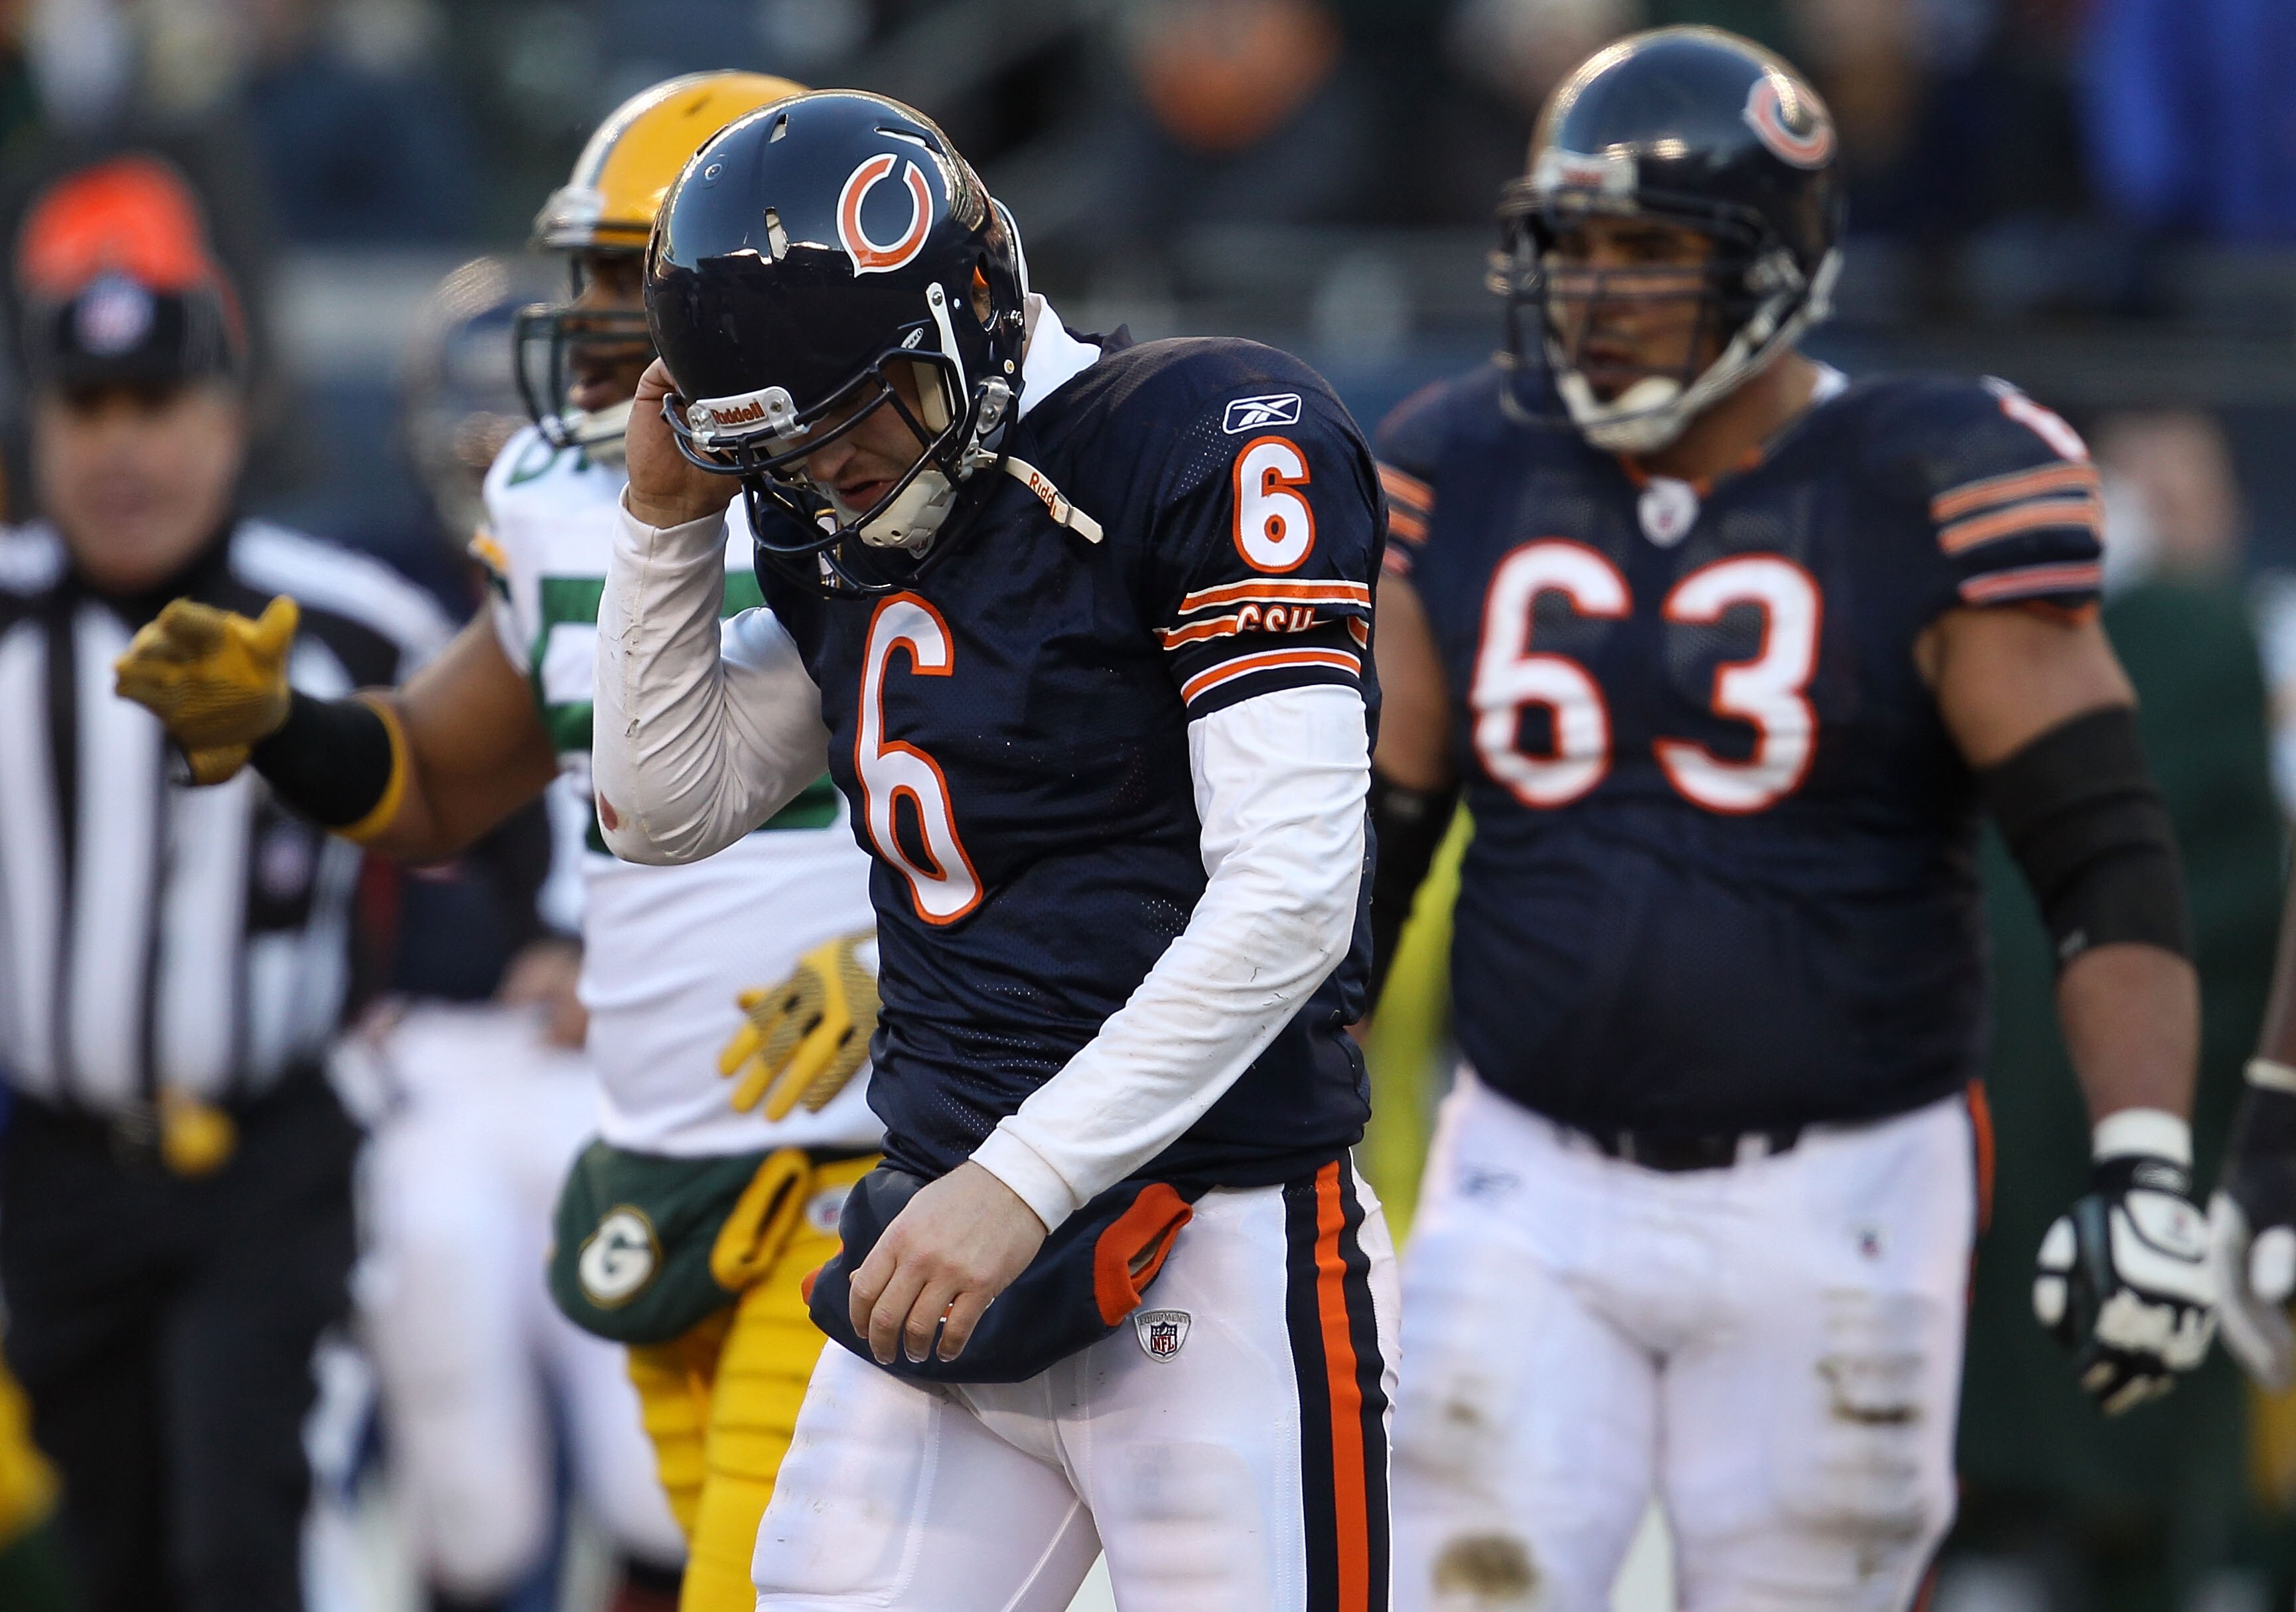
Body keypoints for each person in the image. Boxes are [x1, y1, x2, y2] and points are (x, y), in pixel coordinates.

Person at [1364, 28, 2212, 1612]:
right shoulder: (1458, 461)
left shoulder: (1930, 477)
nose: (1597, 293)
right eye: (1573, 246)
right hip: (1526, 1174)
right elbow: (1372, 853)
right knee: (1457, 1588)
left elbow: (2098, 852)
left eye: (1648, 252)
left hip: (1842, 1194)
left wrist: (2144, 1167)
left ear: (1775, 268)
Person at [593, 89, 1393, 1612]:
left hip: (1206, 1237)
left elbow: (1293, 894)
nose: (831, 476)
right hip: (939, 1224)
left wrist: (1018, 1181)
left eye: (857, 417)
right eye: (791, 448)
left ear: (974, 314)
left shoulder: (1202, 435)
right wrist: (661, 522)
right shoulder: (846, 515)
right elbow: (655, 808)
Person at [111, 72, 881, 1612]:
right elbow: (447, 775)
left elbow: (1050, 792)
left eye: (622, 275)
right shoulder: (554, 497)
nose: (586, 317)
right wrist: (291, 728)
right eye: (583, 275)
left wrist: (905, 968)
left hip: (854, 1158)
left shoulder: (878, 491)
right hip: (663, 1151)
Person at [0, 152, 453, 1612]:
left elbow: (495, 777)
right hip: (56, 1170)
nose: (121, 449)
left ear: (232, 415)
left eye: (157, 406)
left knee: (237, 1544)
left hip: (269, 1158)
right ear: (38, 427)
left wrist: (552, 945)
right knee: (119, 1547)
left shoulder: (346, 616)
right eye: (88, 408)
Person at [334, 257, 686, 1612]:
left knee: (650, 1470)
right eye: (471, 410)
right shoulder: (355, 589)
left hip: (623, 1056)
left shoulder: (680, 551)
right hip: (434, 1057)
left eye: (519, 408)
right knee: (471, 1490)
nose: (496, 441)